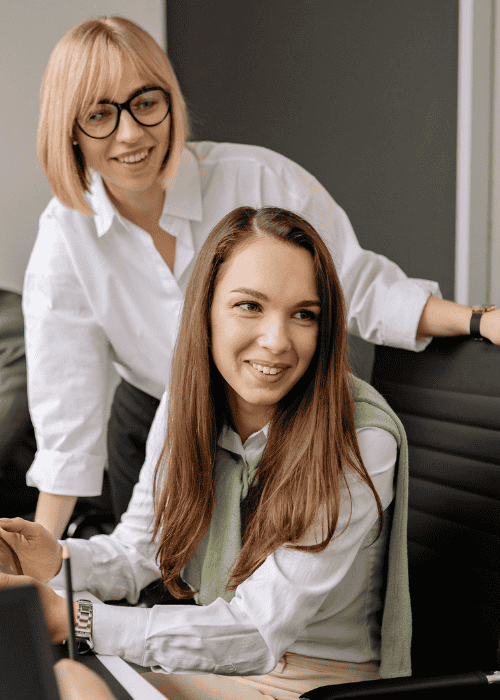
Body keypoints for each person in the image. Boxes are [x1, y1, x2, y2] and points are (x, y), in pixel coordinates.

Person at [25, 15, 500, 539]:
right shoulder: (64, 238)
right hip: (154, 426)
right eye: (99, 115)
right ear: (68, 128)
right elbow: (66, 407)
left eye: (145, 103)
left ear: (169, 101)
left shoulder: (257, 180)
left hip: (273, 416)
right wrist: (39, 559)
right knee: (152, 584)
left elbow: (358, 285)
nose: (131, 133)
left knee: (257, 599)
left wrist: (478, 321)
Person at [0, 206, 410, 699]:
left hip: (311, 683)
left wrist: (75, 617)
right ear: (206, 309)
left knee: (71, 685)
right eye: (249, 306)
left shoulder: (360, 438)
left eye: (304, 314)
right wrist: (53, 559)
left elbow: (256, 631)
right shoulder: (188, 402)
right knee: (49, 678)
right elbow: (141, 548)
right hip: (220, 667)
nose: (277, 340)